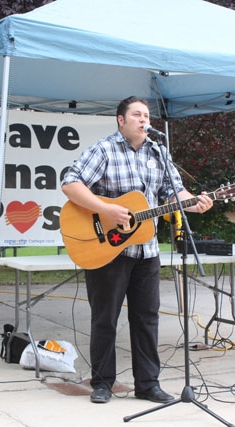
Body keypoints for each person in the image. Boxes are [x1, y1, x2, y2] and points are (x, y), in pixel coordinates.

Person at [61, 96, 214, 404]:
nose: (144, 120)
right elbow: (70, 183)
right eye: (137, 115)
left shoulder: (158, 151)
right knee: (105, 318)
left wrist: (193, 203)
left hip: (146, 250)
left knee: (147, 319)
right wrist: (106, 210)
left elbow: (173, 191)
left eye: (146, 115)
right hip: (108, 251)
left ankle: (148, 384)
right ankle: (102, 383)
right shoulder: (104, 150)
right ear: (121, 120)